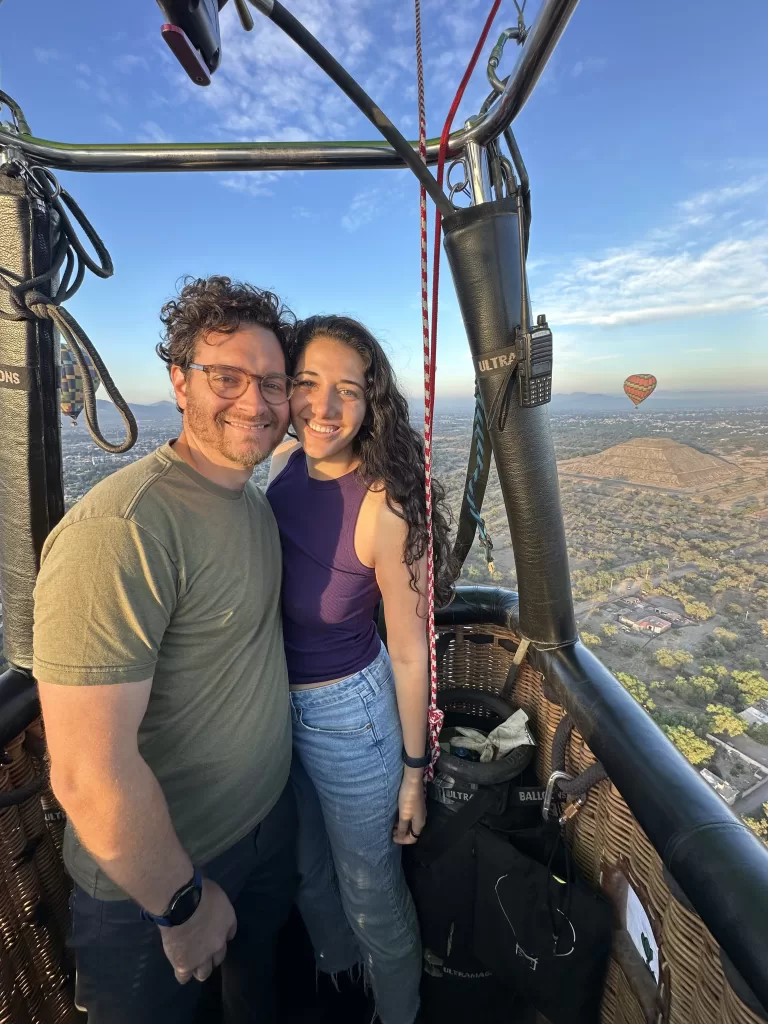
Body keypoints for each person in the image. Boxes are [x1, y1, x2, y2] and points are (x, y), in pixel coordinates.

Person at [33, 276, 299, 1024]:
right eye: (227, 378)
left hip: (265, 829)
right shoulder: (121, 532)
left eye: (272, 383)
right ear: (180, 383)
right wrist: (179, 904)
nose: (254, 401)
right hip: (157, 883)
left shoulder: (251, 497)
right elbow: (88, 772)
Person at [266, 314, 455, 1024]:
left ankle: (398, 1011)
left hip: (353, 721)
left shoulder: (384, 502)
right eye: (308, 384)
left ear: (372, 403)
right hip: (275, 712)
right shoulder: (285, 469)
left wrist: (414, 772)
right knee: (310, 871)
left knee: (371, 890)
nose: (323, 407)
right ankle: (340, 984)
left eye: (348, 390)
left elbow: (408, 650)